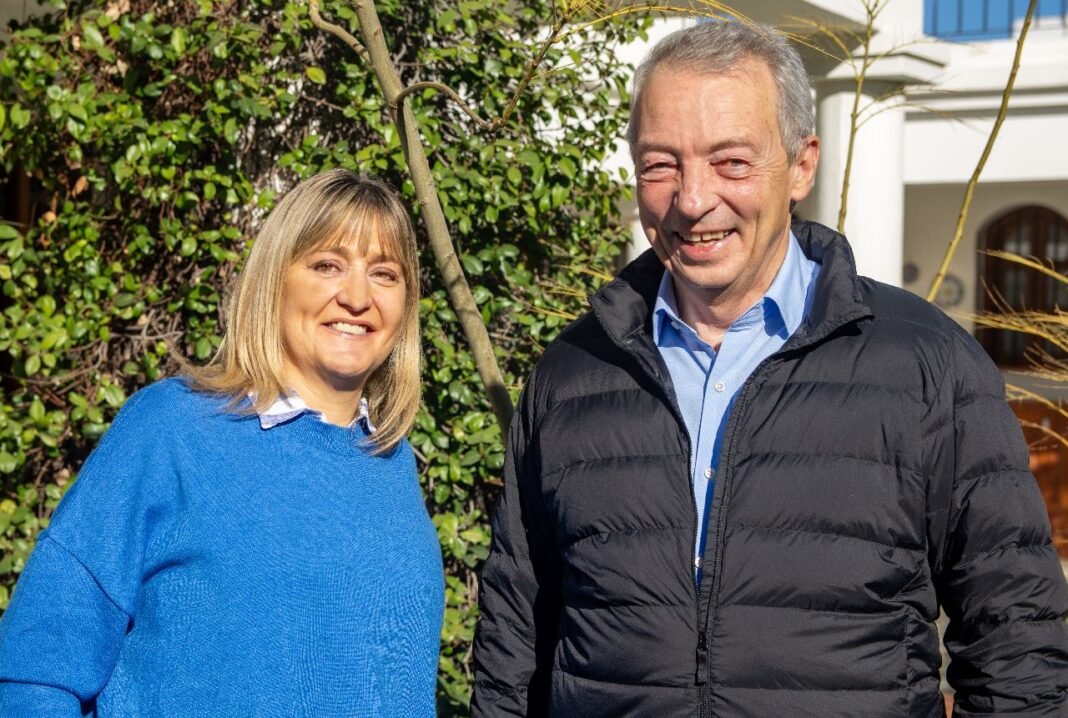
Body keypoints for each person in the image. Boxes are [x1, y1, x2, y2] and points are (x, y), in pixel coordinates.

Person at [471, 20, 1068, 717]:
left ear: (802, 165)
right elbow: (515, 639)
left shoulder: (924, 366)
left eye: (730, 162)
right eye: (661, 164)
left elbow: (1016, 641)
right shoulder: (574, 374)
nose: (693, 200)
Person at [0, 169, 444, 716]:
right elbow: (35, 672)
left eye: (384, 274)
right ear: (275, 279)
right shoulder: (173, 430)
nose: (357, 297)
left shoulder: (390, 459)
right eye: (327, 265)